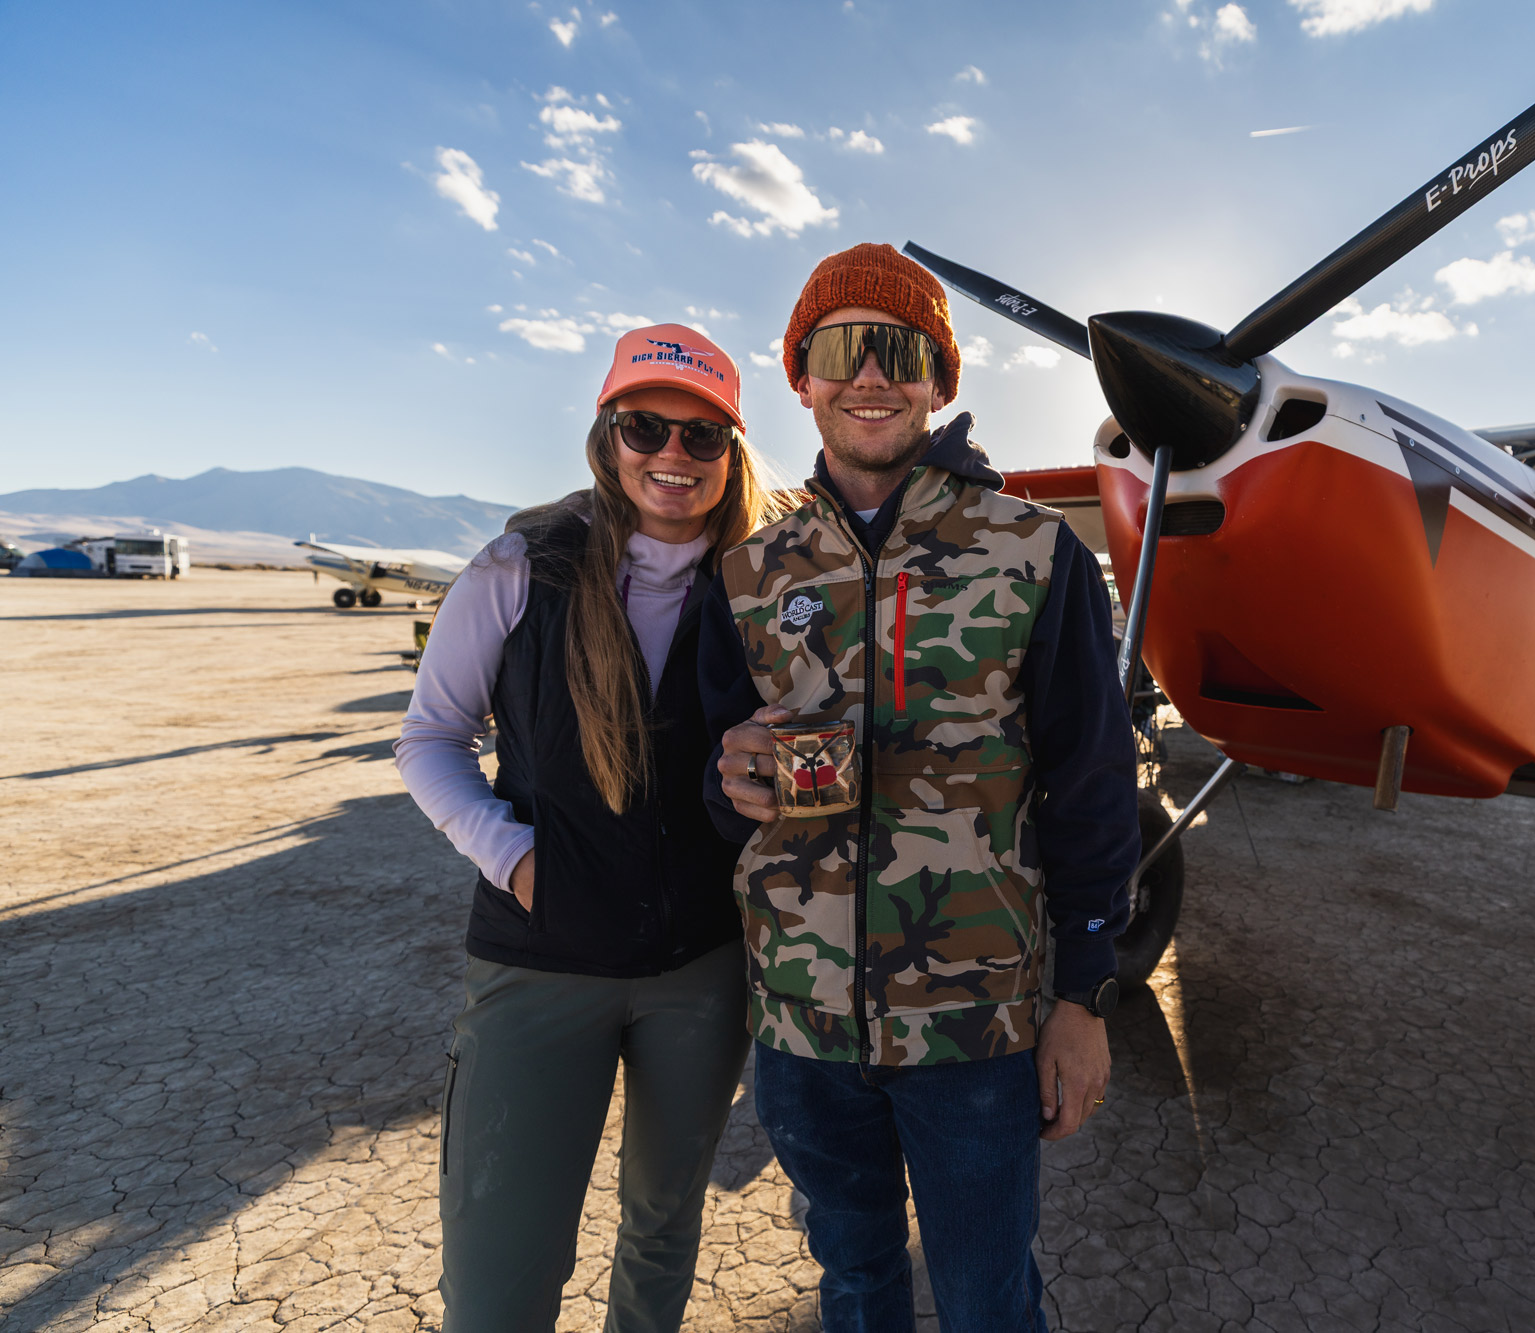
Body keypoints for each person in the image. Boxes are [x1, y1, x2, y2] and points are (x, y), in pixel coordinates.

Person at [700, 244, 1141, 1331]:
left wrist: (1082, 998)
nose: (870, 375)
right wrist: (728, 781)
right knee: (854, 1287)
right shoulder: (752, 573)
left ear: (939, 378)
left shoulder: (1032, 553)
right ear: (800, 376)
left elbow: (1093, 786)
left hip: (974, 1031)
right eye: (840, 349)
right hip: (800, 1032)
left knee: (989, 1301)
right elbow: (710, 784)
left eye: (901, 351)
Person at [396, 324, 777, 1332]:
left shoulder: (763, 590)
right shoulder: (519, 567)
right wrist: (513, 857)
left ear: (730, 453)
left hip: (700, 968)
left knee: (661, 1228)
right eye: (644, 426)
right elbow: (429, 739)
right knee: (501, 1265)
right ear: (607, 436)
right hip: (539, 965)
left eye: (702, 438)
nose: (671, 455)